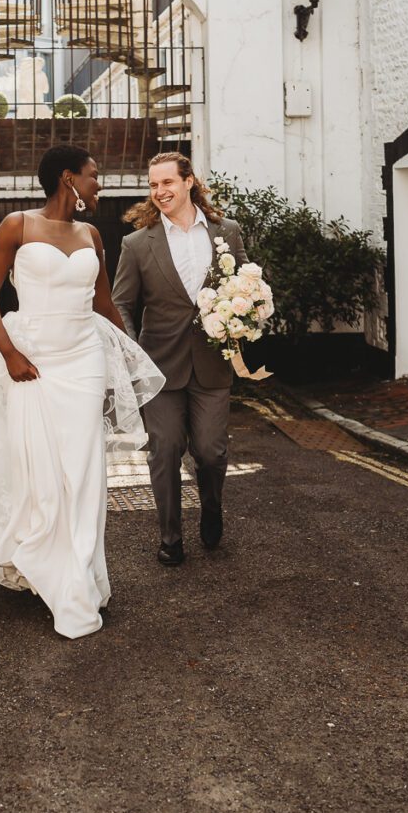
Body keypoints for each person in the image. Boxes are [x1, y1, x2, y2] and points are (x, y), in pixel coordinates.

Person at [0, 144, 164, 639]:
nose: (99, 183)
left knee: (83, 472)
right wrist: (10, 355)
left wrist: (133, 361)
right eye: (93, 175)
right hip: (32, 363)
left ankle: (77, 576)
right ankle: (39, 557)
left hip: (83, 362)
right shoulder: (16, 226)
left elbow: (105, 306)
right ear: (68, 179)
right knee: (39, 471)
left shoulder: (92, 235)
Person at [112, 152, 247, 567]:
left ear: (189, 182)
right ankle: (170, 537)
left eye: (167, 183)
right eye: (153, 185)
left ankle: (211, 506)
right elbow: (121, 304)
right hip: (159, 365)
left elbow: (248, 282)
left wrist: (243, 317)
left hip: (212, 361)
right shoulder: (136, 244)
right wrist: (134, 356)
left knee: (211, 451)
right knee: (165, 449)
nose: (159, 192)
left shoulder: (228, 231)